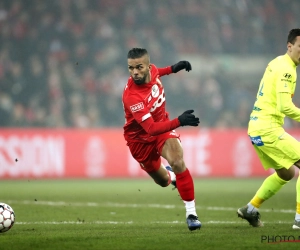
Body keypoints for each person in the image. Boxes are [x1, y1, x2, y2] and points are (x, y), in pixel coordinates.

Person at [122, 48, 201, 231]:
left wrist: (174, 68)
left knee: (177, 161)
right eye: (131, 68)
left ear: (148, 67)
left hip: (162, 129)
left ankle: (191, 213)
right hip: (139, 141)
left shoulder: (153, 70)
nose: (135, 72)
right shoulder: (132, 97)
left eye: (139, 67)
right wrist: (179, 121)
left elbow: (160, 71)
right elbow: (150, 129)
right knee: (163, 182)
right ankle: (171, 177)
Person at [237, 28, 300, 229]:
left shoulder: (277, 62)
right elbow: (285, 107)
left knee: (286, 174)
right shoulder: (287, 70)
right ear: (289, 46)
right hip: (268, 128)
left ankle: (251, 209)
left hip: (256, 127)